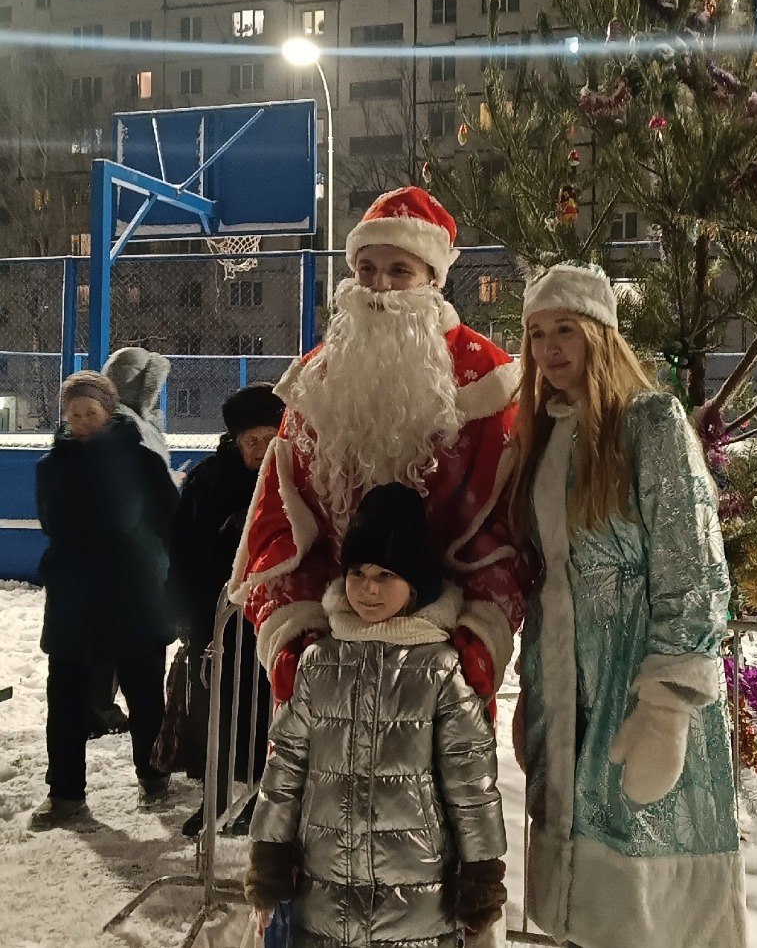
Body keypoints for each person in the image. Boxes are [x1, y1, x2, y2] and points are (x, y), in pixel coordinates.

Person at [511, 262, 748, 947]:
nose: (550, 348)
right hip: (566, 687)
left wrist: (668, 705)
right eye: (535, 334)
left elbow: (694, 563)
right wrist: (538, 687)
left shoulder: (651, 421)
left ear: (599, 335)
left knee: (646, 899)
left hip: (635, 684)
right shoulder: (543, 434)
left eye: (565, 330)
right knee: (579, 900)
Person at [229, 186, 529, 710]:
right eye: (366, 269)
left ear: (433, 281)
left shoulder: (486, 379)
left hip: (441, 654)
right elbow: (279, 520)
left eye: (398, 271)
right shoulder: (318, 379)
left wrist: (479, 640)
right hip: (330, 646)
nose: (379, 288)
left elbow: (505, 527)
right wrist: (292, 636)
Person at [243, 483, 507, 947]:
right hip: (325, 893)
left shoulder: (439, 668)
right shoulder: (320, 661)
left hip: (416, 900)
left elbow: (471, 781)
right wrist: (268, 854)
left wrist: (482, 872)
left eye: (386, 575)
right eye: (358, 572)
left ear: (416, 584)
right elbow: (286, 766)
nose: (367, 588)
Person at [29, 370, 180, 831]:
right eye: (73, 413)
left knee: (144, 693)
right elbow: (52, 524)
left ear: (108, 411)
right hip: (76, 599)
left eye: (89, 412)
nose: (80, 420)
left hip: (134, 596)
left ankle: (153, 776)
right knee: (66, 698)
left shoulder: (140, 460)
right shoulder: (51, 466)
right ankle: (65, 792)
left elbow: (168, 521)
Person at [168, 383, 285, 838]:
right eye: (250, 441)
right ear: (235, 441)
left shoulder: (294, 476)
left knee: (271, 712)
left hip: (274, 620)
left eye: (268, 437)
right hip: (217, 623)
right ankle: (212, 796)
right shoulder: (208, 481)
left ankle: (264, 795)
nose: (259, 449)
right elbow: (182, 550)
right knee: (215, 712)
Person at [85, 346, 176, 739]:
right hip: (130, 554)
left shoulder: (118, 421)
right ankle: (102, 710)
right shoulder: (127, 427)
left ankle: (99, 707)